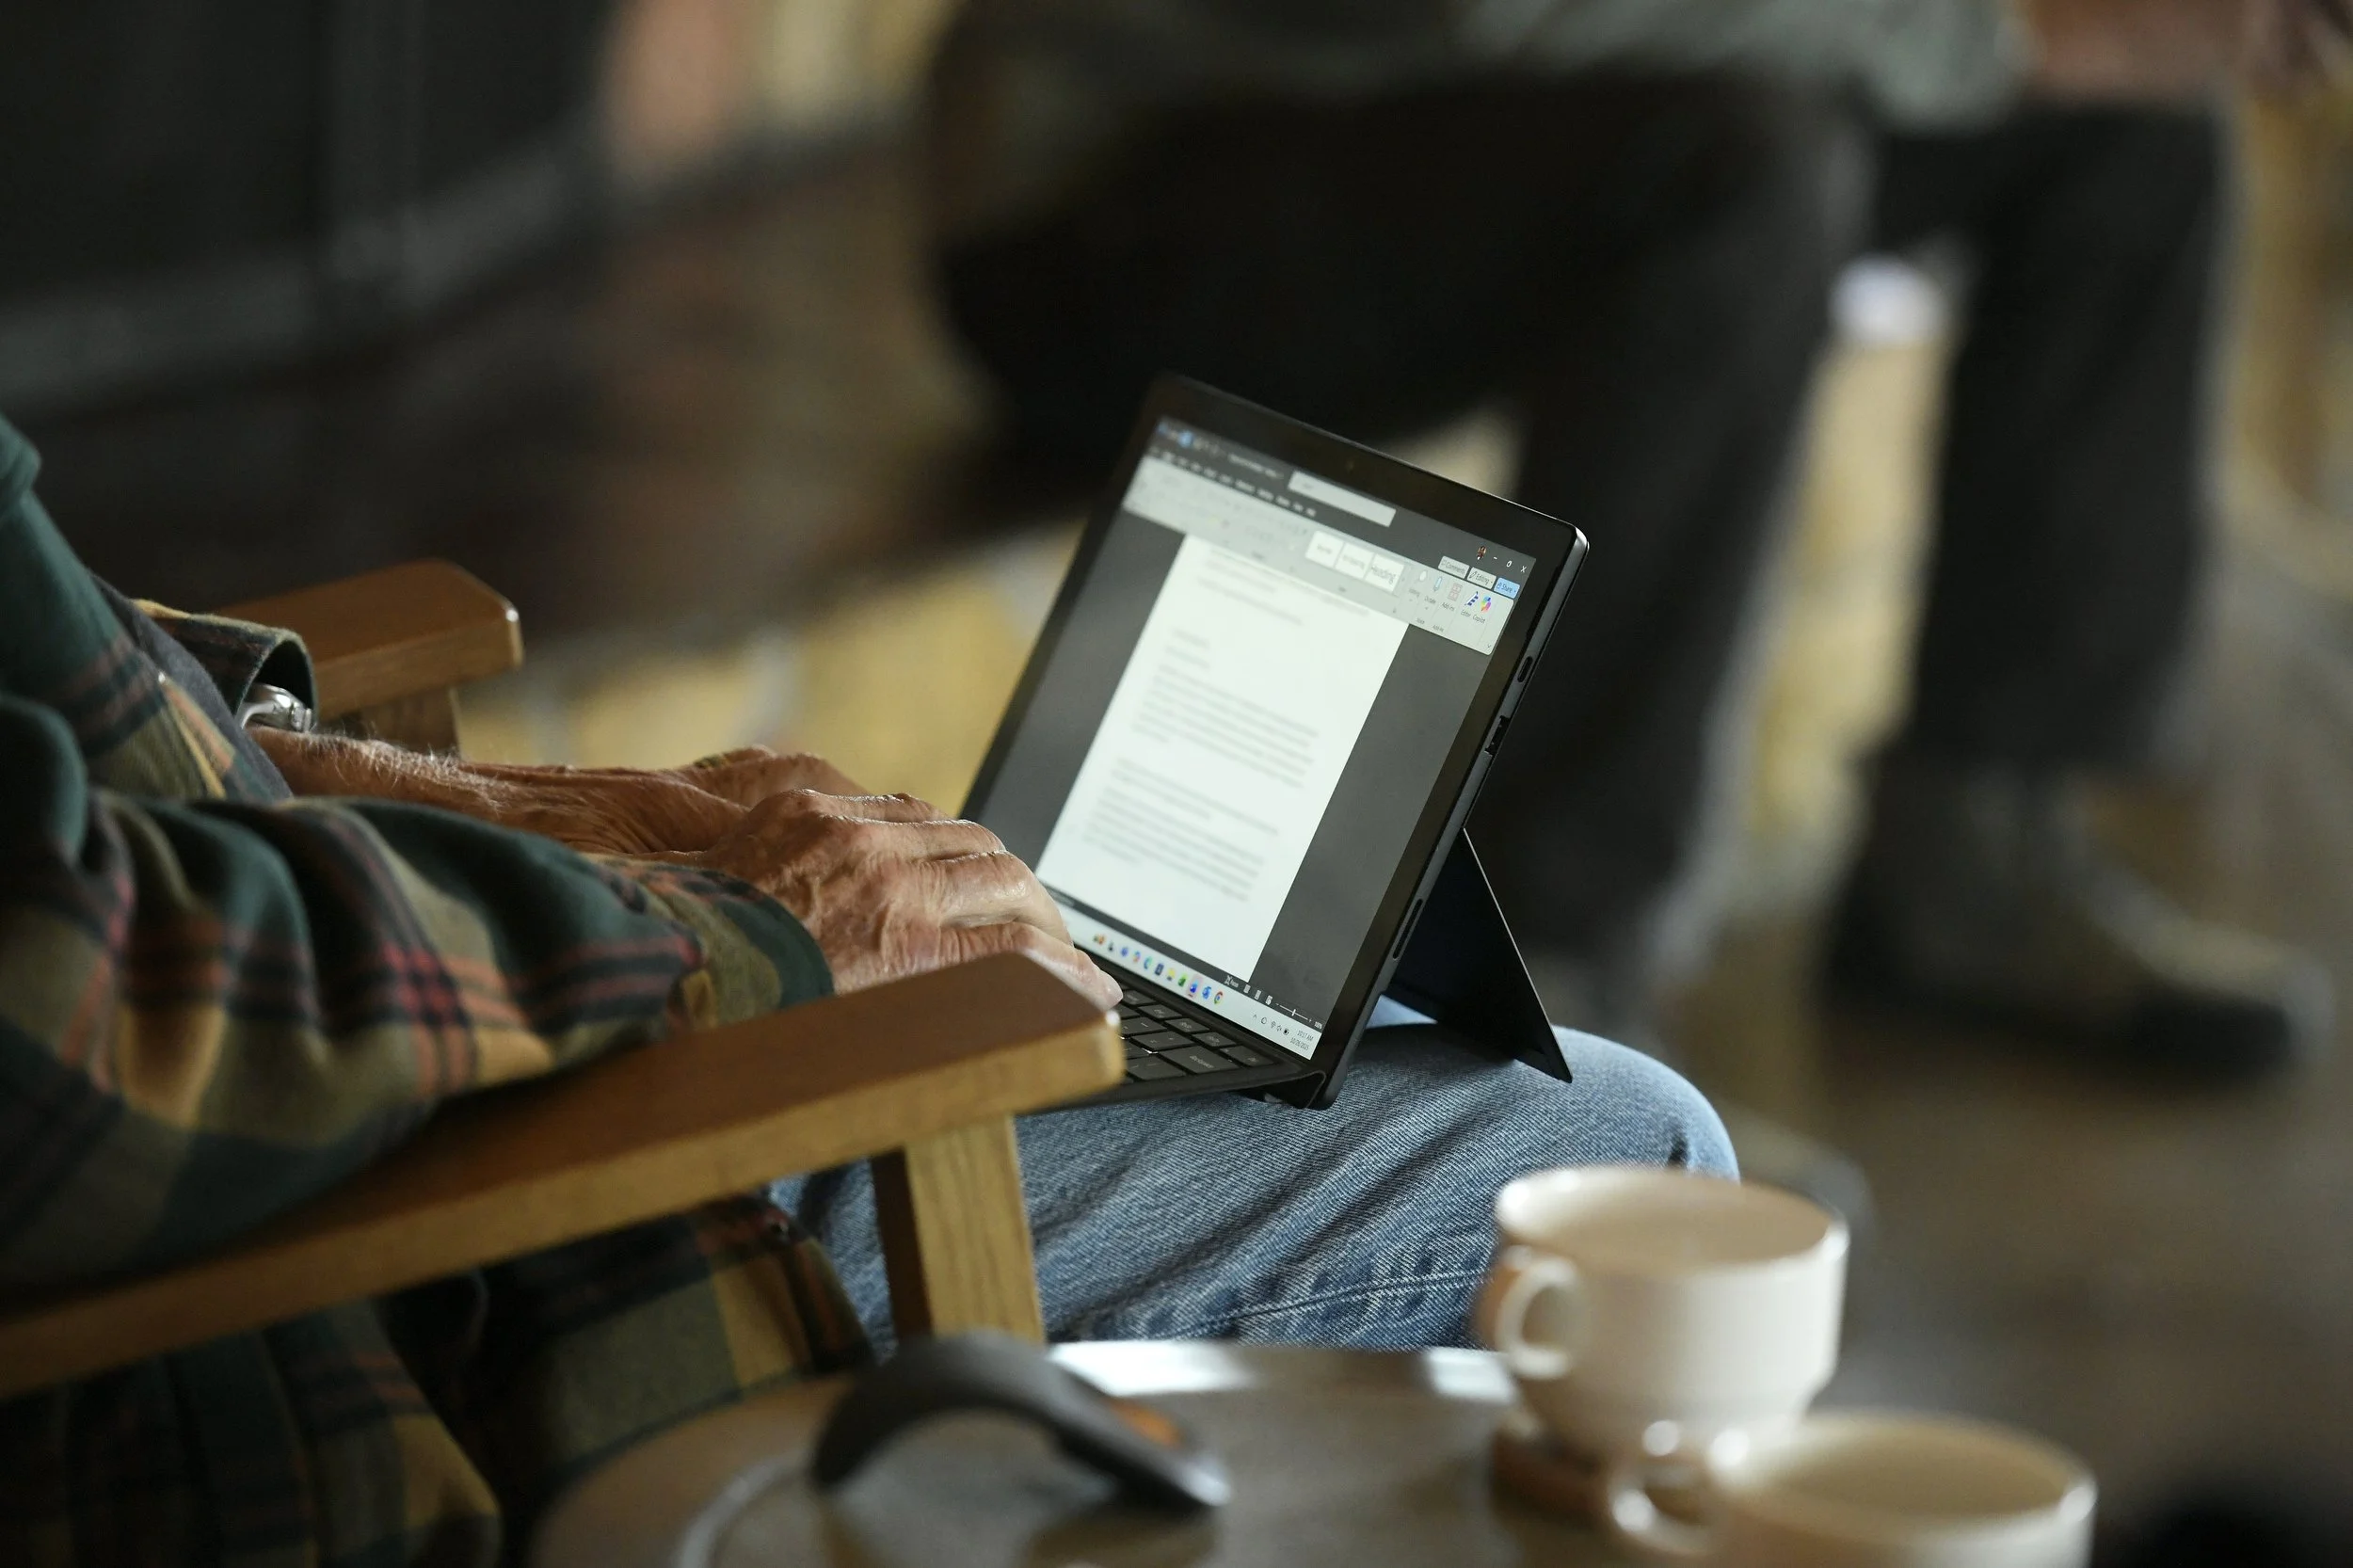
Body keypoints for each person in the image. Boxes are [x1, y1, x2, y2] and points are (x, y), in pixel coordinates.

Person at [0, 411, 1730, 1565]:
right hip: (439, 1253)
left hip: (391, 1051)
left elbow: (86, 713)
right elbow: (62, 1029)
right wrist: (735, 932)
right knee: (1626, 1153)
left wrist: (495, 799)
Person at [923, 0, 2342, 1076]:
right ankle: (1557, 993)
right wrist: (2012, 28)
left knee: (2129, 129)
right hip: (1113, 188)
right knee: (1739, 164)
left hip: (1473, 123)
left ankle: (1971, 860)